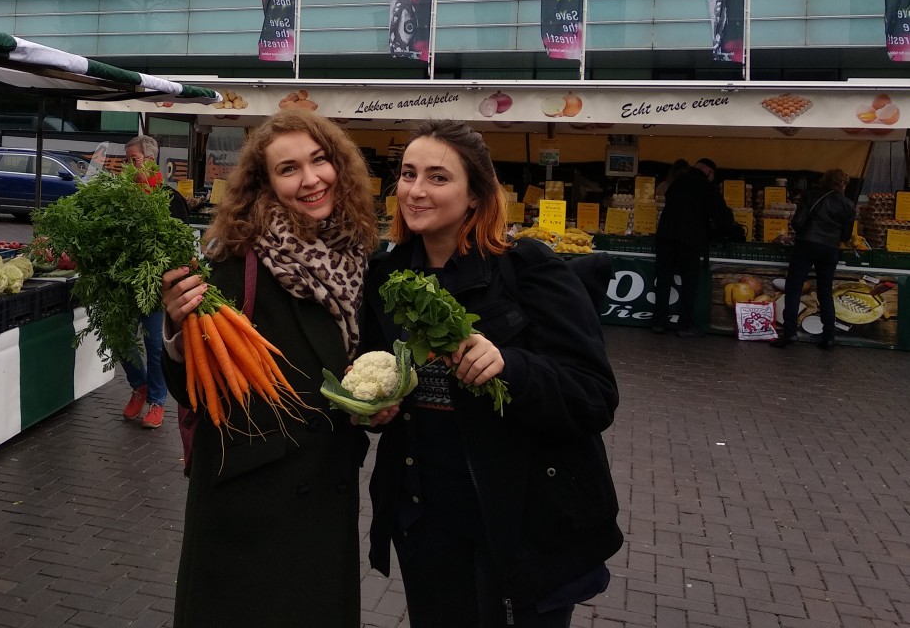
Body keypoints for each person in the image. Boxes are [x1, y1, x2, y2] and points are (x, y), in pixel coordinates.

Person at [358, 120, 621, 628]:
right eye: (408, 175)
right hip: (424, 521)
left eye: (438, 178)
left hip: (519, 525)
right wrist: (374, 410)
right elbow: (384, 379)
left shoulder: (527, 269)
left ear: (476, 194)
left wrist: (513, 366)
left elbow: (595, 396)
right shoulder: (385, 280)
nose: (415, 190)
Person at [159, 109, 380, 628]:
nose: (310, 179)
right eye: (289, 169)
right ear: (266, 182)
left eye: (319, 160)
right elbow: (189, 389)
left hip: (326, 488)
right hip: (251, 503)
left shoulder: (355, 254)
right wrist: (175, 327)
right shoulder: (238, 260)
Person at [118, 133, 190, 430]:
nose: (127, 167)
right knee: (120, 339)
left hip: (155, 285)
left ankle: (157, 401)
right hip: (124, 283)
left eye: (132, 161)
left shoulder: (171, 199)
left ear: (149, 161)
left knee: (154, 344)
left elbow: (183, 246)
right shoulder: (121, 198)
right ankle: (140, 385)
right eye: (125, 161)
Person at [652, 156, 740, 336]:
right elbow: (722, 218)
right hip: (690, 240)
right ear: (709, 172)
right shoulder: (707, 187)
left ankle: (658, 322)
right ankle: (684, 325)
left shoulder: (677, 182)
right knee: (689, 283)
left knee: (663, 280)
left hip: (666, 237)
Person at [772, 169, 857, 351]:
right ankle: (829, 337)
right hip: (830, 249)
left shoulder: (812, 195)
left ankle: (790, 333)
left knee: (794, 287)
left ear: (825, 180)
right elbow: (846, 235)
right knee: (825, 292)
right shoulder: (848, 204)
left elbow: (797, 222)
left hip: (807, 244)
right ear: (843, 184)